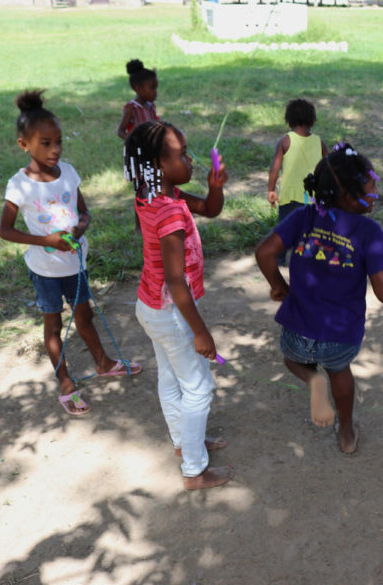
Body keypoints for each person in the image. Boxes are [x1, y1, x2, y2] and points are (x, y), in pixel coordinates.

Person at [255, 143, 383, 454]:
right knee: (340, 372)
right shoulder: (369, 231)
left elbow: (264, 252)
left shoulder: (304, 216)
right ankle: (347, 430)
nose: (377, 189)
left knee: (291, 358)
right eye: (372, 184)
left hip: (298, 329)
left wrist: (278, 286)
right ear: (351, 198)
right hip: (341, 334)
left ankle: (313, 381)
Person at [0, 90, 142, 417]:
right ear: (25, 145)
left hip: (74, 265)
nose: (56, 149)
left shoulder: (69, 172)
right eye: (46, 143)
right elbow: (5, 231)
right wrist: (46, 239)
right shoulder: (19, 185)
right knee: (53, 325)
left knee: (85, 317)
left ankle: (104, 363)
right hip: (45, 269)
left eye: (59, 141)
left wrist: (81, 227)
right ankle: (64, 381)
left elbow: (84, 211)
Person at [124, 120, 233, 489]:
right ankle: (194, 470)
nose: (191, 159)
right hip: (171, 313)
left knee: (171, 379)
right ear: (157, 164)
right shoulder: (168, 210)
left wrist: (215, 188)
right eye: (182, 154)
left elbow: (209, 208)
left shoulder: (154, 192)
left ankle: (184, 443)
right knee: (199, 387)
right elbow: (175, 280)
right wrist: (201, 332)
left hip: (151, 307)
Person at [267, 98, 329, 264]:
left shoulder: (286, 140)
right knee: (312, 229)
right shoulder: (319, 141)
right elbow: (328, 166)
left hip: (290, 196)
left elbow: (274, 168)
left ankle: (279, 259)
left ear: (289, 120)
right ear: (312, 120)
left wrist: (271, 189)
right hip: (313, 197)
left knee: (285, 229)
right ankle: (309, 258)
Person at [117, 59, 159, 140]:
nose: (155, 92)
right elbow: (120, 131)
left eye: (156, 88)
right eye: (152, 88)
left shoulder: (151, 106)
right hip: (137, 151)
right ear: (138, 89)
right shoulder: (132, 108)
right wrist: (134, 141)